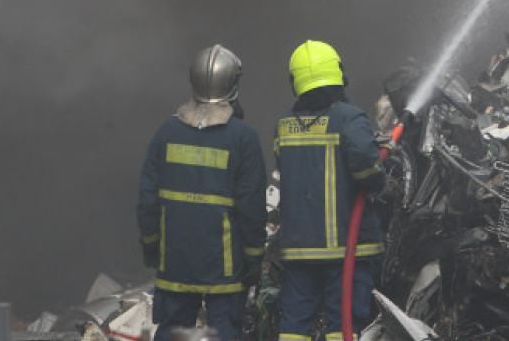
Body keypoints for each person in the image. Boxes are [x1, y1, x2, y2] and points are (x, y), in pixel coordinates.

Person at [137, 45, 267, 341]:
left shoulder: (166, 133)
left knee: (174, 334)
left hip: (176, 262)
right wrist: (254, 258)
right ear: (233, 84)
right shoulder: (243, 138)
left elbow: (147, 200)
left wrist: (151, 245)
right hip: (224, 268)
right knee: (223, 334)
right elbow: (251, 206)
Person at [274, 40, 387, 340]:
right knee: (345, 323)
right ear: (337, 73)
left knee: (295, 323)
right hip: (344, 249)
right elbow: (367, 167)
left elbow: (284, 166)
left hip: (299, 248)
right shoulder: (349, 118)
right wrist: (380, 173)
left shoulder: (284, 125)